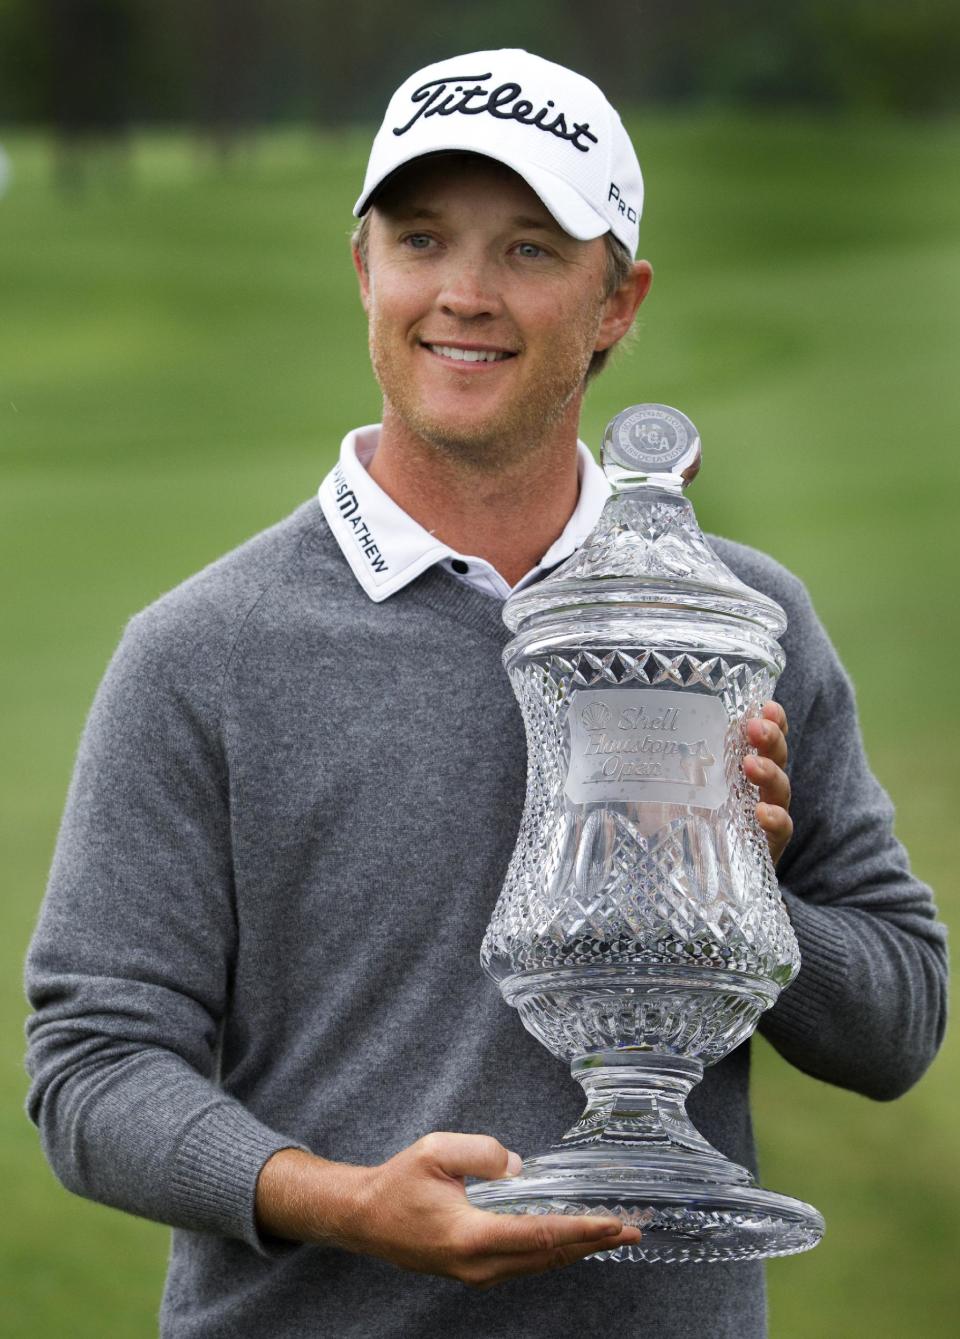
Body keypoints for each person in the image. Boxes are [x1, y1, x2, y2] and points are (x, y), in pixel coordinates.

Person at [24, 50, 946, 1339]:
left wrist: (749, 887)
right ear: (364, 271)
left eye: (527, 249)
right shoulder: (201, 653)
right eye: (420, 240)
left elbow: (900, 1019)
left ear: (617, 300)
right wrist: (341, 1200)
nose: (462, 294)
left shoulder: (738, 625)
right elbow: (94, 1070)